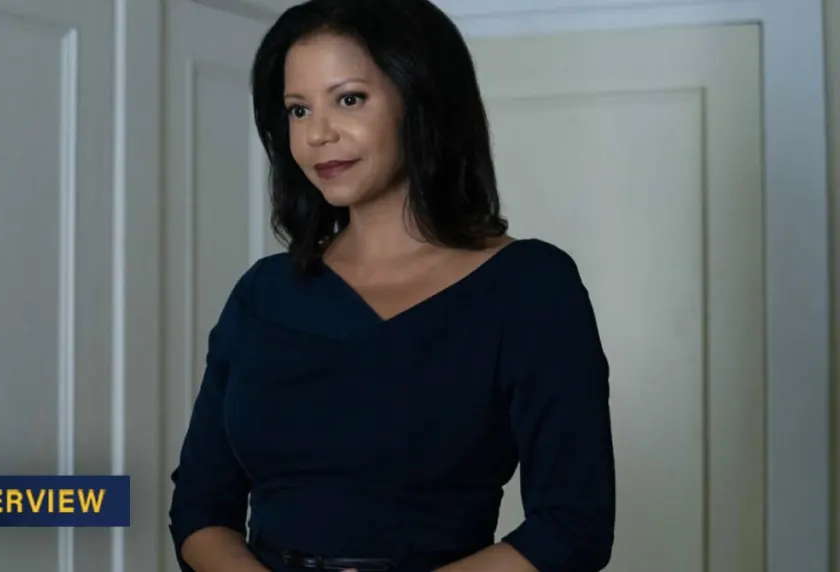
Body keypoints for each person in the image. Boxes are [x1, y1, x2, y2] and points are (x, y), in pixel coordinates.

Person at [168, 0, 616, 570]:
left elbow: (572, 526)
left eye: (349, 99)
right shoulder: (262, 294)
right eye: (298, 110)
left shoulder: (530, 287)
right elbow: (200, 507)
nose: (318, 134)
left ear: (421, 100)